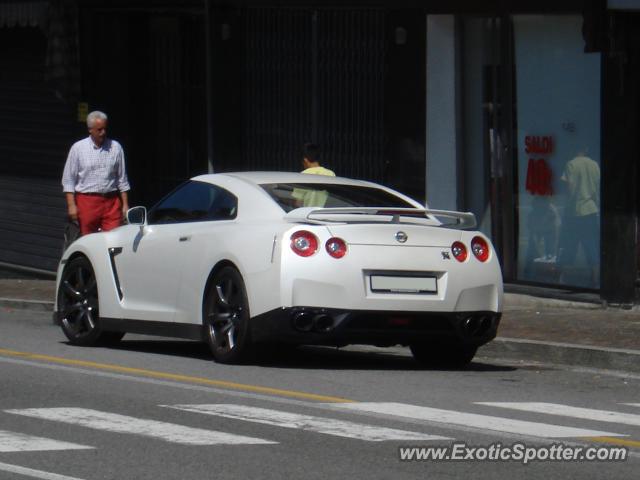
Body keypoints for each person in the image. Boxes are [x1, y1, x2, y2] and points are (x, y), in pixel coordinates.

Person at [61, 111, 130, 235]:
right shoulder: (78, 148)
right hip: (87, 202)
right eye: (99, 130)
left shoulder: (115, 147)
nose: (103, 132)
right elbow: (68, 180)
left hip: (111, 202)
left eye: (105, 128)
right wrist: (71, 205)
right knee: (87, 240)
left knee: (113, 239)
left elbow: (122, 179)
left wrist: (125, 205)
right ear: (90, 130)